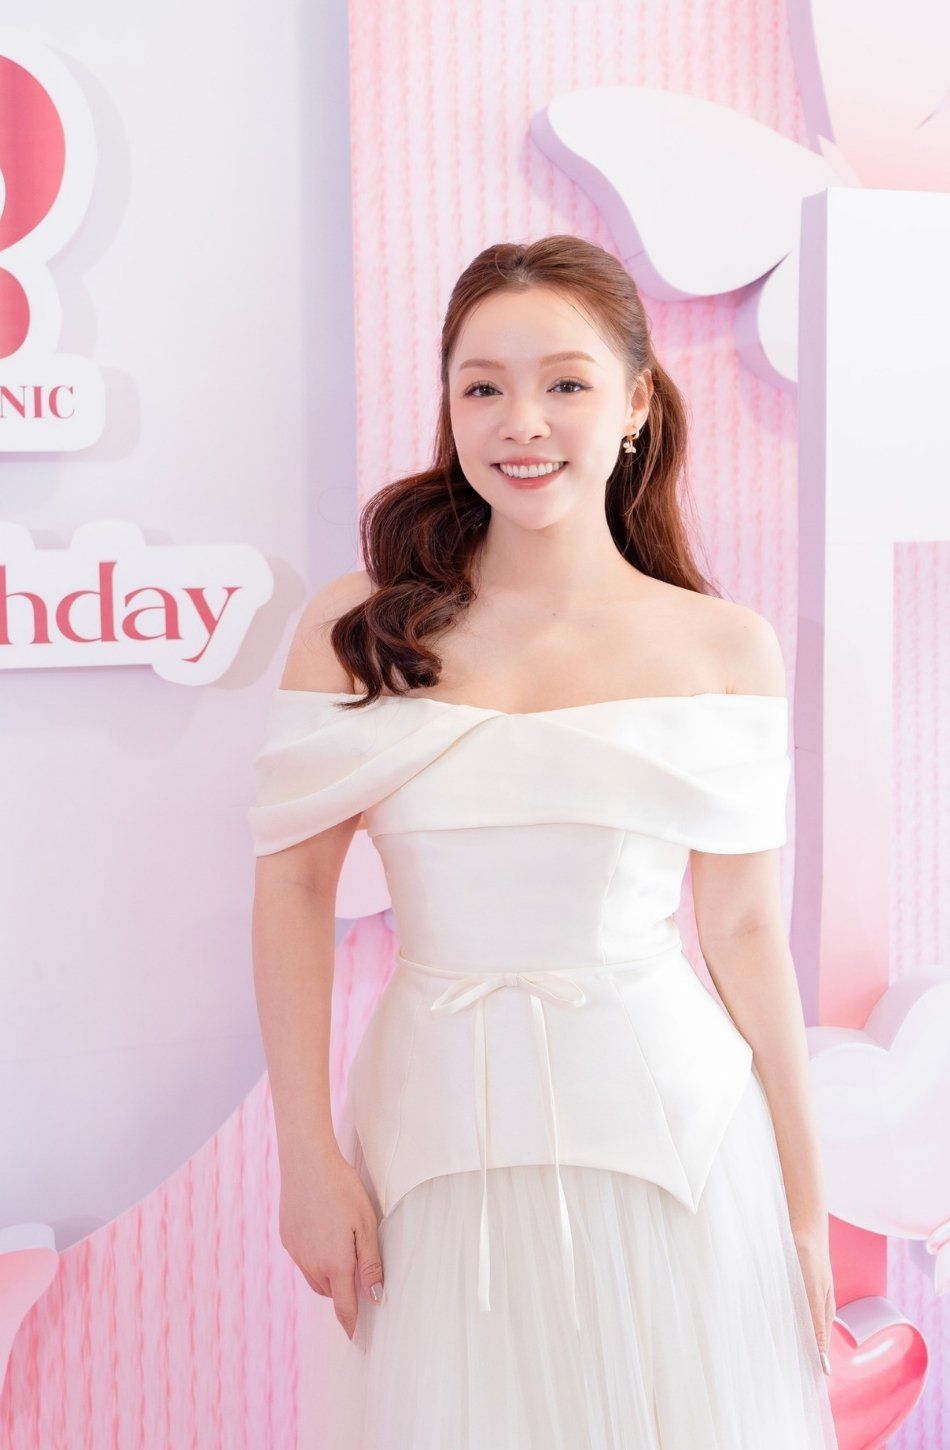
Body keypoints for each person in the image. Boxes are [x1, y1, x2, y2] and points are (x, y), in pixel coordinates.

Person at [248, 235, 839, 1447]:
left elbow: (741, 933)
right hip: (428, 1154)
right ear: (449, 407)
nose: (521, 422)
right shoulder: (356, 629)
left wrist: (802, 1203)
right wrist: (303, 1154)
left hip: (676, 1154)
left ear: (634, 403)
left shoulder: (721, 645)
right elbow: (293, 889)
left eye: (565, 381)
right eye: (483, 386)